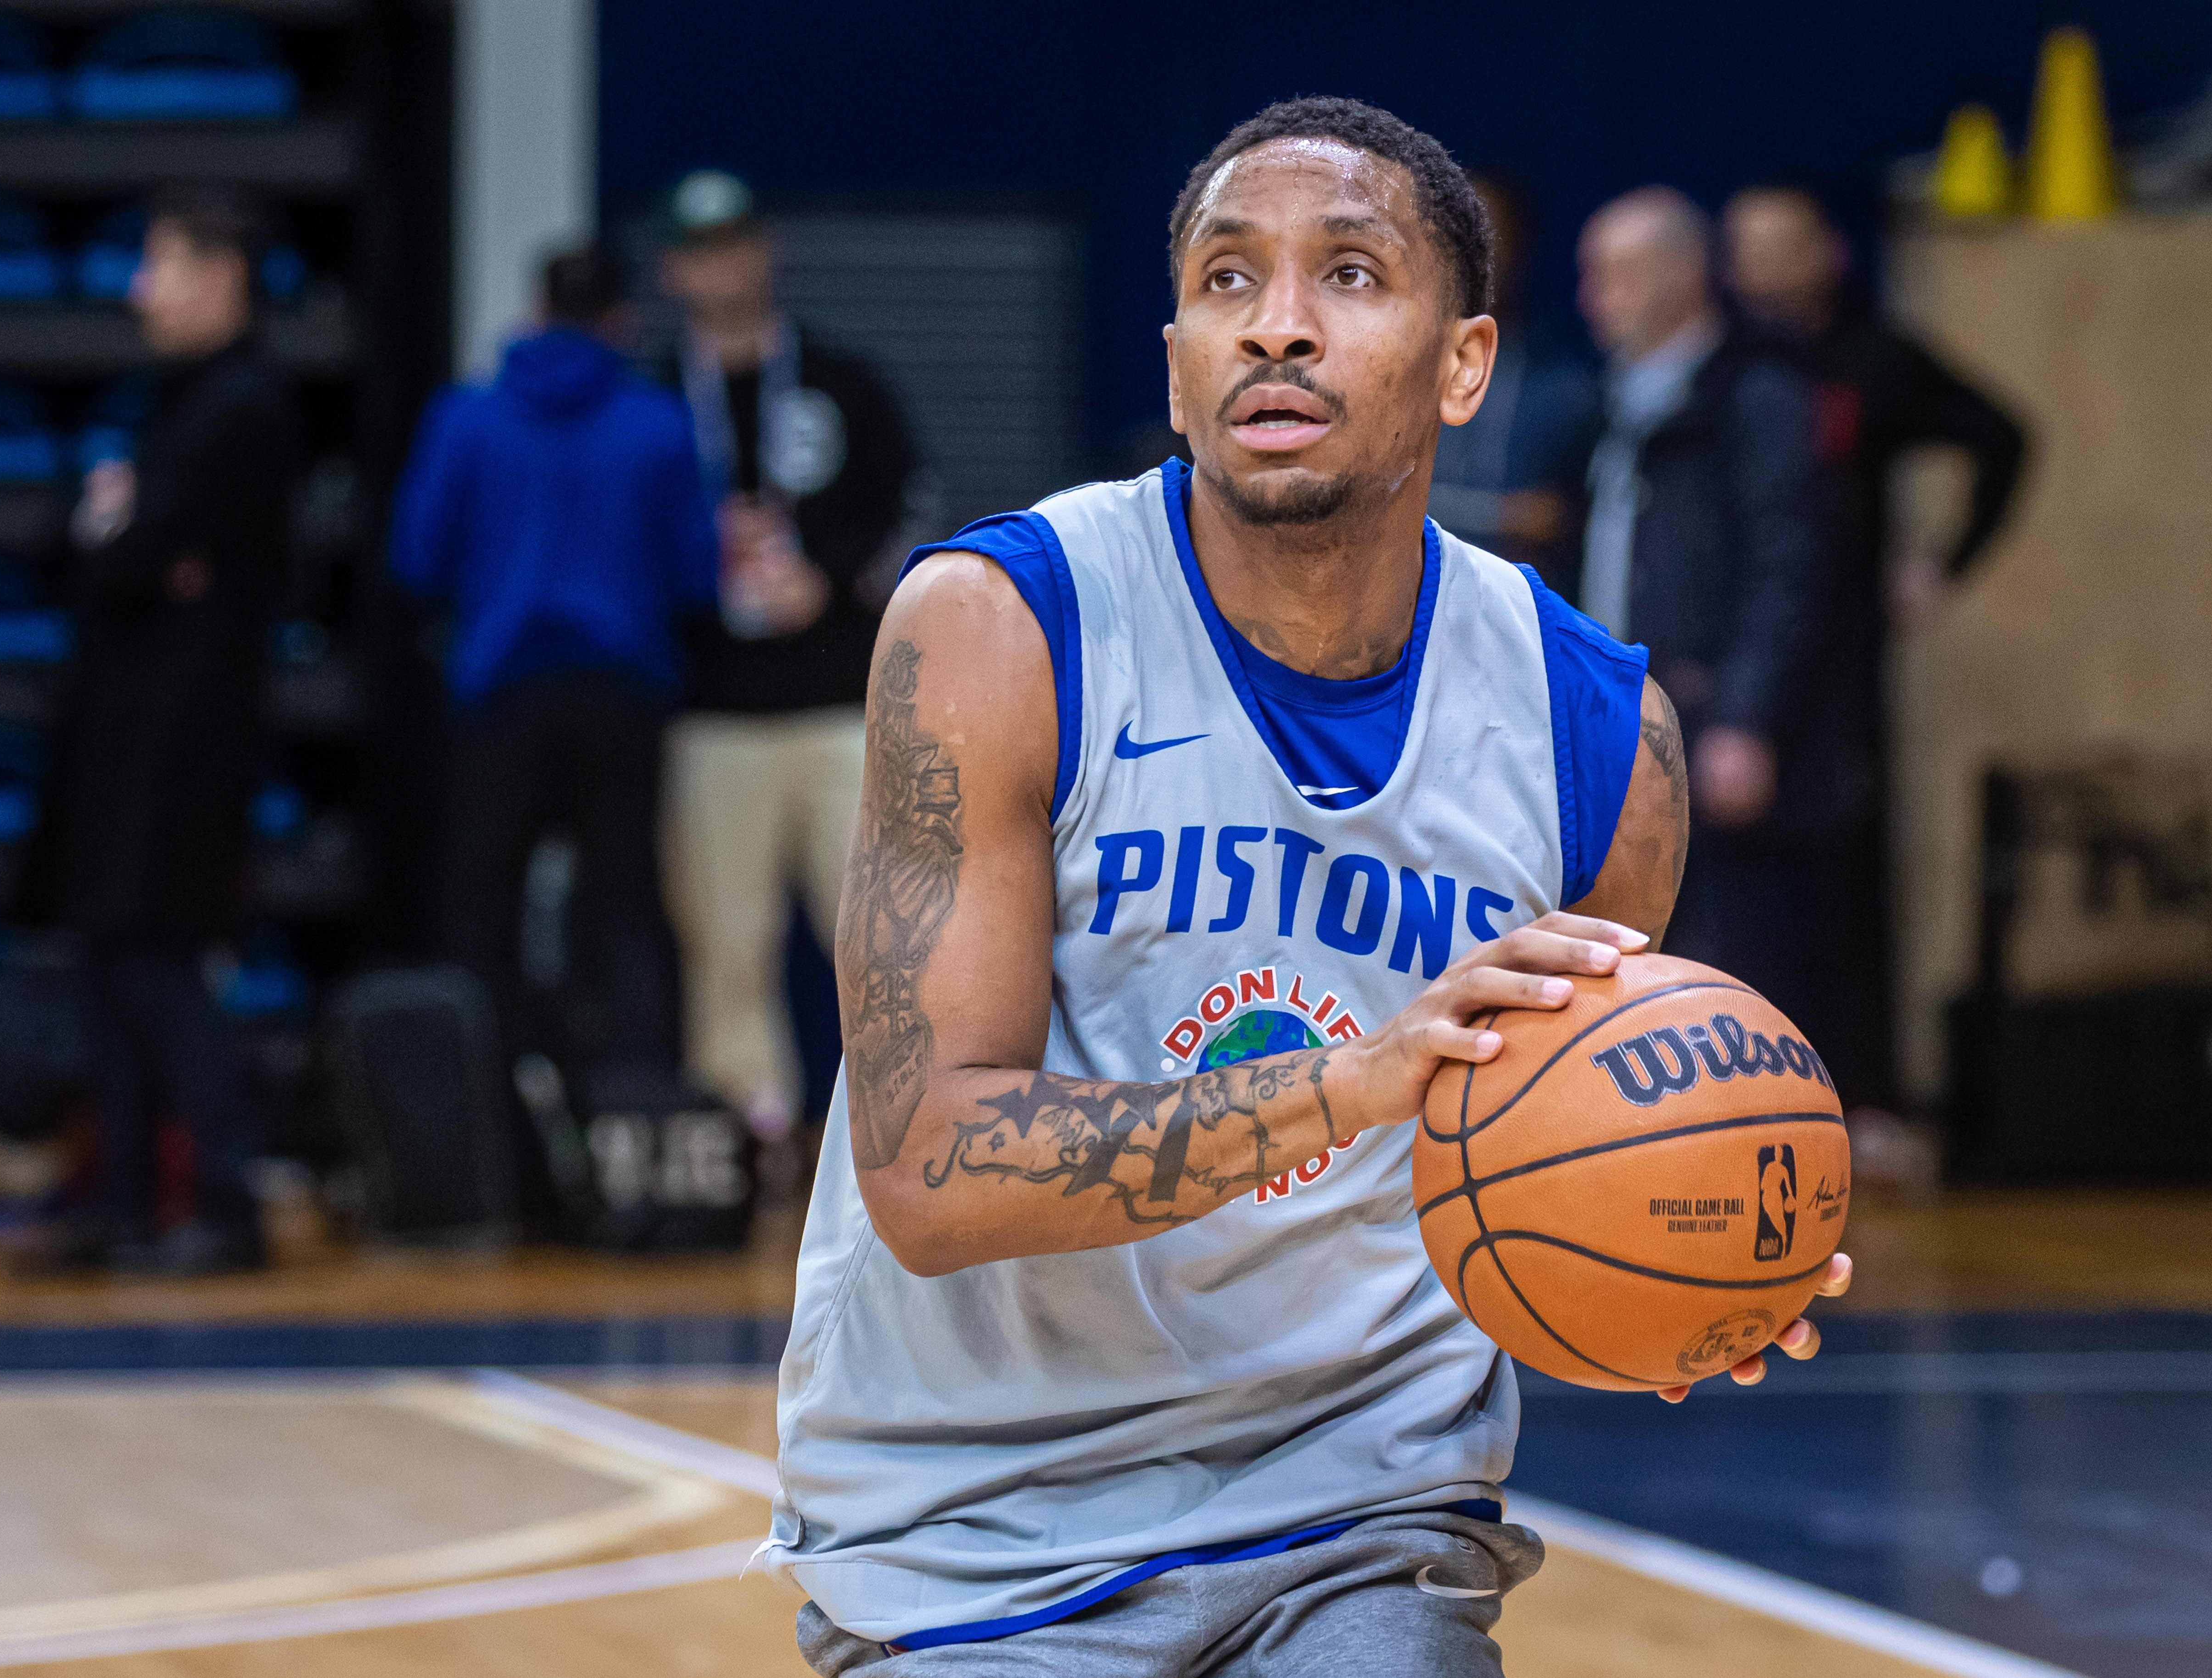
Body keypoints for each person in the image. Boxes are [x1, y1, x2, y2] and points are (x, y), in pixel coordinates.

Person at [767, 97, 1851, 1673]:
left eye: (1349, 273)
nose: (1276, 325)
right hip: (973, 1518)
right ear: (1176, 366)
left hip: (1358, 1504)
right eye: (1228, 279)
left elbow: (1557, 1133)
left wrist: (1689, 1247)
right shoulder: (1003, 627)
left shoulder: (1600, 741)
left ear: (1465, 365)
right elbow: (931, 1171)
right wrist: (1350, 1084)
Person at [13, 183, 298, 1276]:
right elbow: (104, 549)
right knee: (111, 965)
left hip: (185, 752)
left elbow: (133, 550)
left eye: (162, 265)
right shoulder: (175, 407)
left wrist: (126, 536)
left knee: (164, 967)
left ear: (223, 277)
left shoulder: (241, 411)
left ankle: (227, 1198)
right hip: (124, 741)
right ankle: (121, 1198)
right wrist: (122, 539)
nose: (141, 290)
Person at [389, 244, 717, 1160]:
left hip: (503, 695)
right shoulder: (654, 422)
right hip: (622, 697)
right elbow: (696, 574)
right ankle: (635, 1141)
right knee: (625, 909)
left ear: (535, 311)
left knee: (480, 911)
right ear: (618, 318)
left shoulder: (468, 417)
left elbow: (417, 558)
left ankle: (479, 1137)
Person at [1725, 185, 2027, 1144]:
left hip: (1843, 671)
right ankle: (1735, 1095)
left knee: (1848, 879)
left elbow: (2004, 437)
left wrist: (1943, 564)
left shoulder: (1875, 360)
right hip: (1741, 660)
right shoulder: (1725, 372)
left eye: (1784, 244)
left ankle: (1866, 1096)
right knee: (1737, 886)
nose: (1763, 267)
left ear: (1831, 253)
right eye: (1746, 247)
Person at [653, 170, 921, 1140]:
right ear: (671, 270)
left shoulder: (841, 384)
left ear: (762, 252)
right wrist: (702, 568)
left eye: (734, 244)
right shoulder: (655, 398)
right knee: (726, 949)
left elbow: (910, 515)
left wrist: (830, 577)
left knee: (887, 942)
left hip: (840, 708)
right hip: (713, 713)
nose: (720, 267)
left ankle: (907, 1141)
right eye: (699, 251)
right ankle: (749, 1153)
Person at [1575, 189, 1837, 1069]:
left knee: (1730, 960)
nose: (1595, 298)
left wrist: (1746, 719)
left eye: (1620, 274)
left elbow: (1788, 569)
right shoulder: (1612, 405)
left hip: (1706, 724)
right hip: (1612, 727)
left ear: (1687, 275)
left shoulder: (1755, 395)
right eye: (1592, 275)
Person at [1423, 175, 1599, 592]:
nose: (1475, 255)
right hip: (1411, 604)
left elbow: (1569, 521)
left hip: (1523, 607)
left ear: (1525, 249)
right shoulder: (1397, 367)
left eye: (1492, 236)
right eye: (1458, 235)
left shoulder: (1568, 387)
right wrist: (1505, 516)